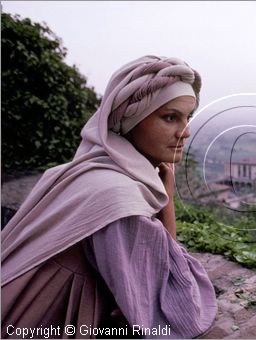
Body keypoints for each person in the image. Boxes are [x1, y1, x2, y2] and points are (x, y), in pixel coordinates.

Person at [1, 56, 217, 338]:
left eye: (187, 118)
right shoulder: (120, 198)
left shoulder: (84, 170)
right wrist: (168, 201)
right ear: (130, 121)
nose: (185, 131)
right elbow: (182, 307)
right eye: (170, 117)